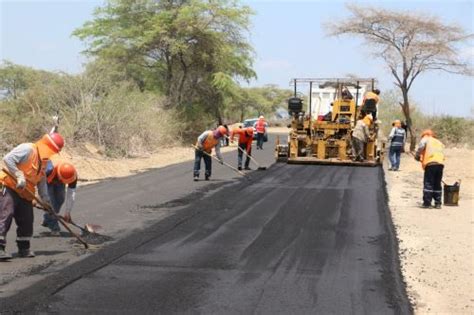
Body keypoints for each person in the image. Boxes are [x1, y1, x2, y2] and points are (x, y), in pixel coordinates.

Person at [0, 133, 64, 260]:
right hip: (9, 186)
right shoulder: (28, 149)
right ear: (48, 146)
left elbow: (42, 180)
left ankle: (24, 248)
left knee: (27, 220)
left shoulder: (44, 160)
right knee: (6, 214)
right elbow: (8, 159)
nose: (52, 153)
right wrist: (19, 175)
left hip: (25, 193)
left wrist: (45, 201)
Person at [41, 161, 78, 236]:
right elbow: (38, 183)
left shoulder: (72, 175)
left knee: (60, 199)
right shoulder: (47, 170)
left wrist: (67, 212)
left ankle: (48, 218)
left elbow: (71, 194)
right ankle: (54, 227)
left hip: (58, 180)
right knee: (51, 204)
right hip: (46, 181)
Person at [414, 129, 445, 209]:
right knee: (437, 183)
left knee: (428, 183)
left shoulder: (426, 139)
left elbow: (421, 147)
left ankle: (427, 203)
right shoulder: (438, 142)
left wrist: (417, 155)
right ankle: (438, 203)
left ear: (425, 135)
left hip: (430, 164)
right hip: (440, 164)